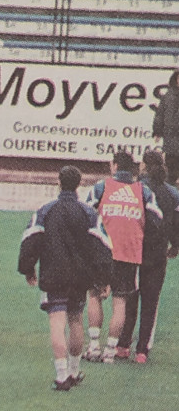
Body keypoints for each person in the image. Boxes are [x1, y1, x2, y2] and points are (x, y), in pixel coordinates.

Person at [18, 166, 113, 391]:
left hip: (53, 274)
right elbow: (102, 246)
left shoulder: (46, 211)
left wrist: (27, 268)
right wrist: (104, 278)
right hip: (80, 277)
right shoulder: (89, 213)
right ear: (79, 185)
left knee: (57, 322)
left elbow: (29, 240)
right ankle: (74, 371)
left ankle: (61, 377)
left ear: (58, 183)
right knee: (75, 321)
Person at [84, 150, 163, 363]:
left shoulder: (101, 187)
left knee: (94, 295)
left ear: (115, 166)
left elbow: (86, 214)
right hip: (129, 253)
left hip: (101, 252)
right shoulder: (143, 191)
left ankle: (93, 347)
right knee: (120, 302)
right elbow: (157, 219)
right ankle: (111, 351)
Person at [117, 151, 179, 363]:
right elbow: (175, 223)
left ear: (143, 166)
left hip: (133, 250)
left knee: (130, 297)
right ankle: (142, 350)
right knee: (150, 301)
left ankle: (123, 344)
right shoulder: (172, 193)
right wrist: (175, 245)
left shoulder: (134, 190)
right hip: (157, 252)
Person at [152, 70, 179, 185]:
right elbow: (160, 114)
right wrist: (157, 131)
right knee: (171, 163)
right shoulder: (167, 96)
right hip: (171, 137)